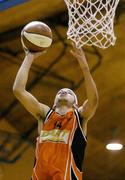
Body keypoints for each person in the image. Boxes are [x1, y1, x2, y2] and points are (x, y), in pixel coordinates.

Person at [13, 43, 99, 180]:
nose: (64, 91)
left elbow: (93, 100)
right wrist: (29, 57)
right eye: (60, 92)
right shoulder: (44, 114)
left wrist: (84, 67)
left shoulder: (80, 116)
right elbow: (18, 90)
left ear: (76, 104)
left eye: (69, 92)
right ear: (53, 104)